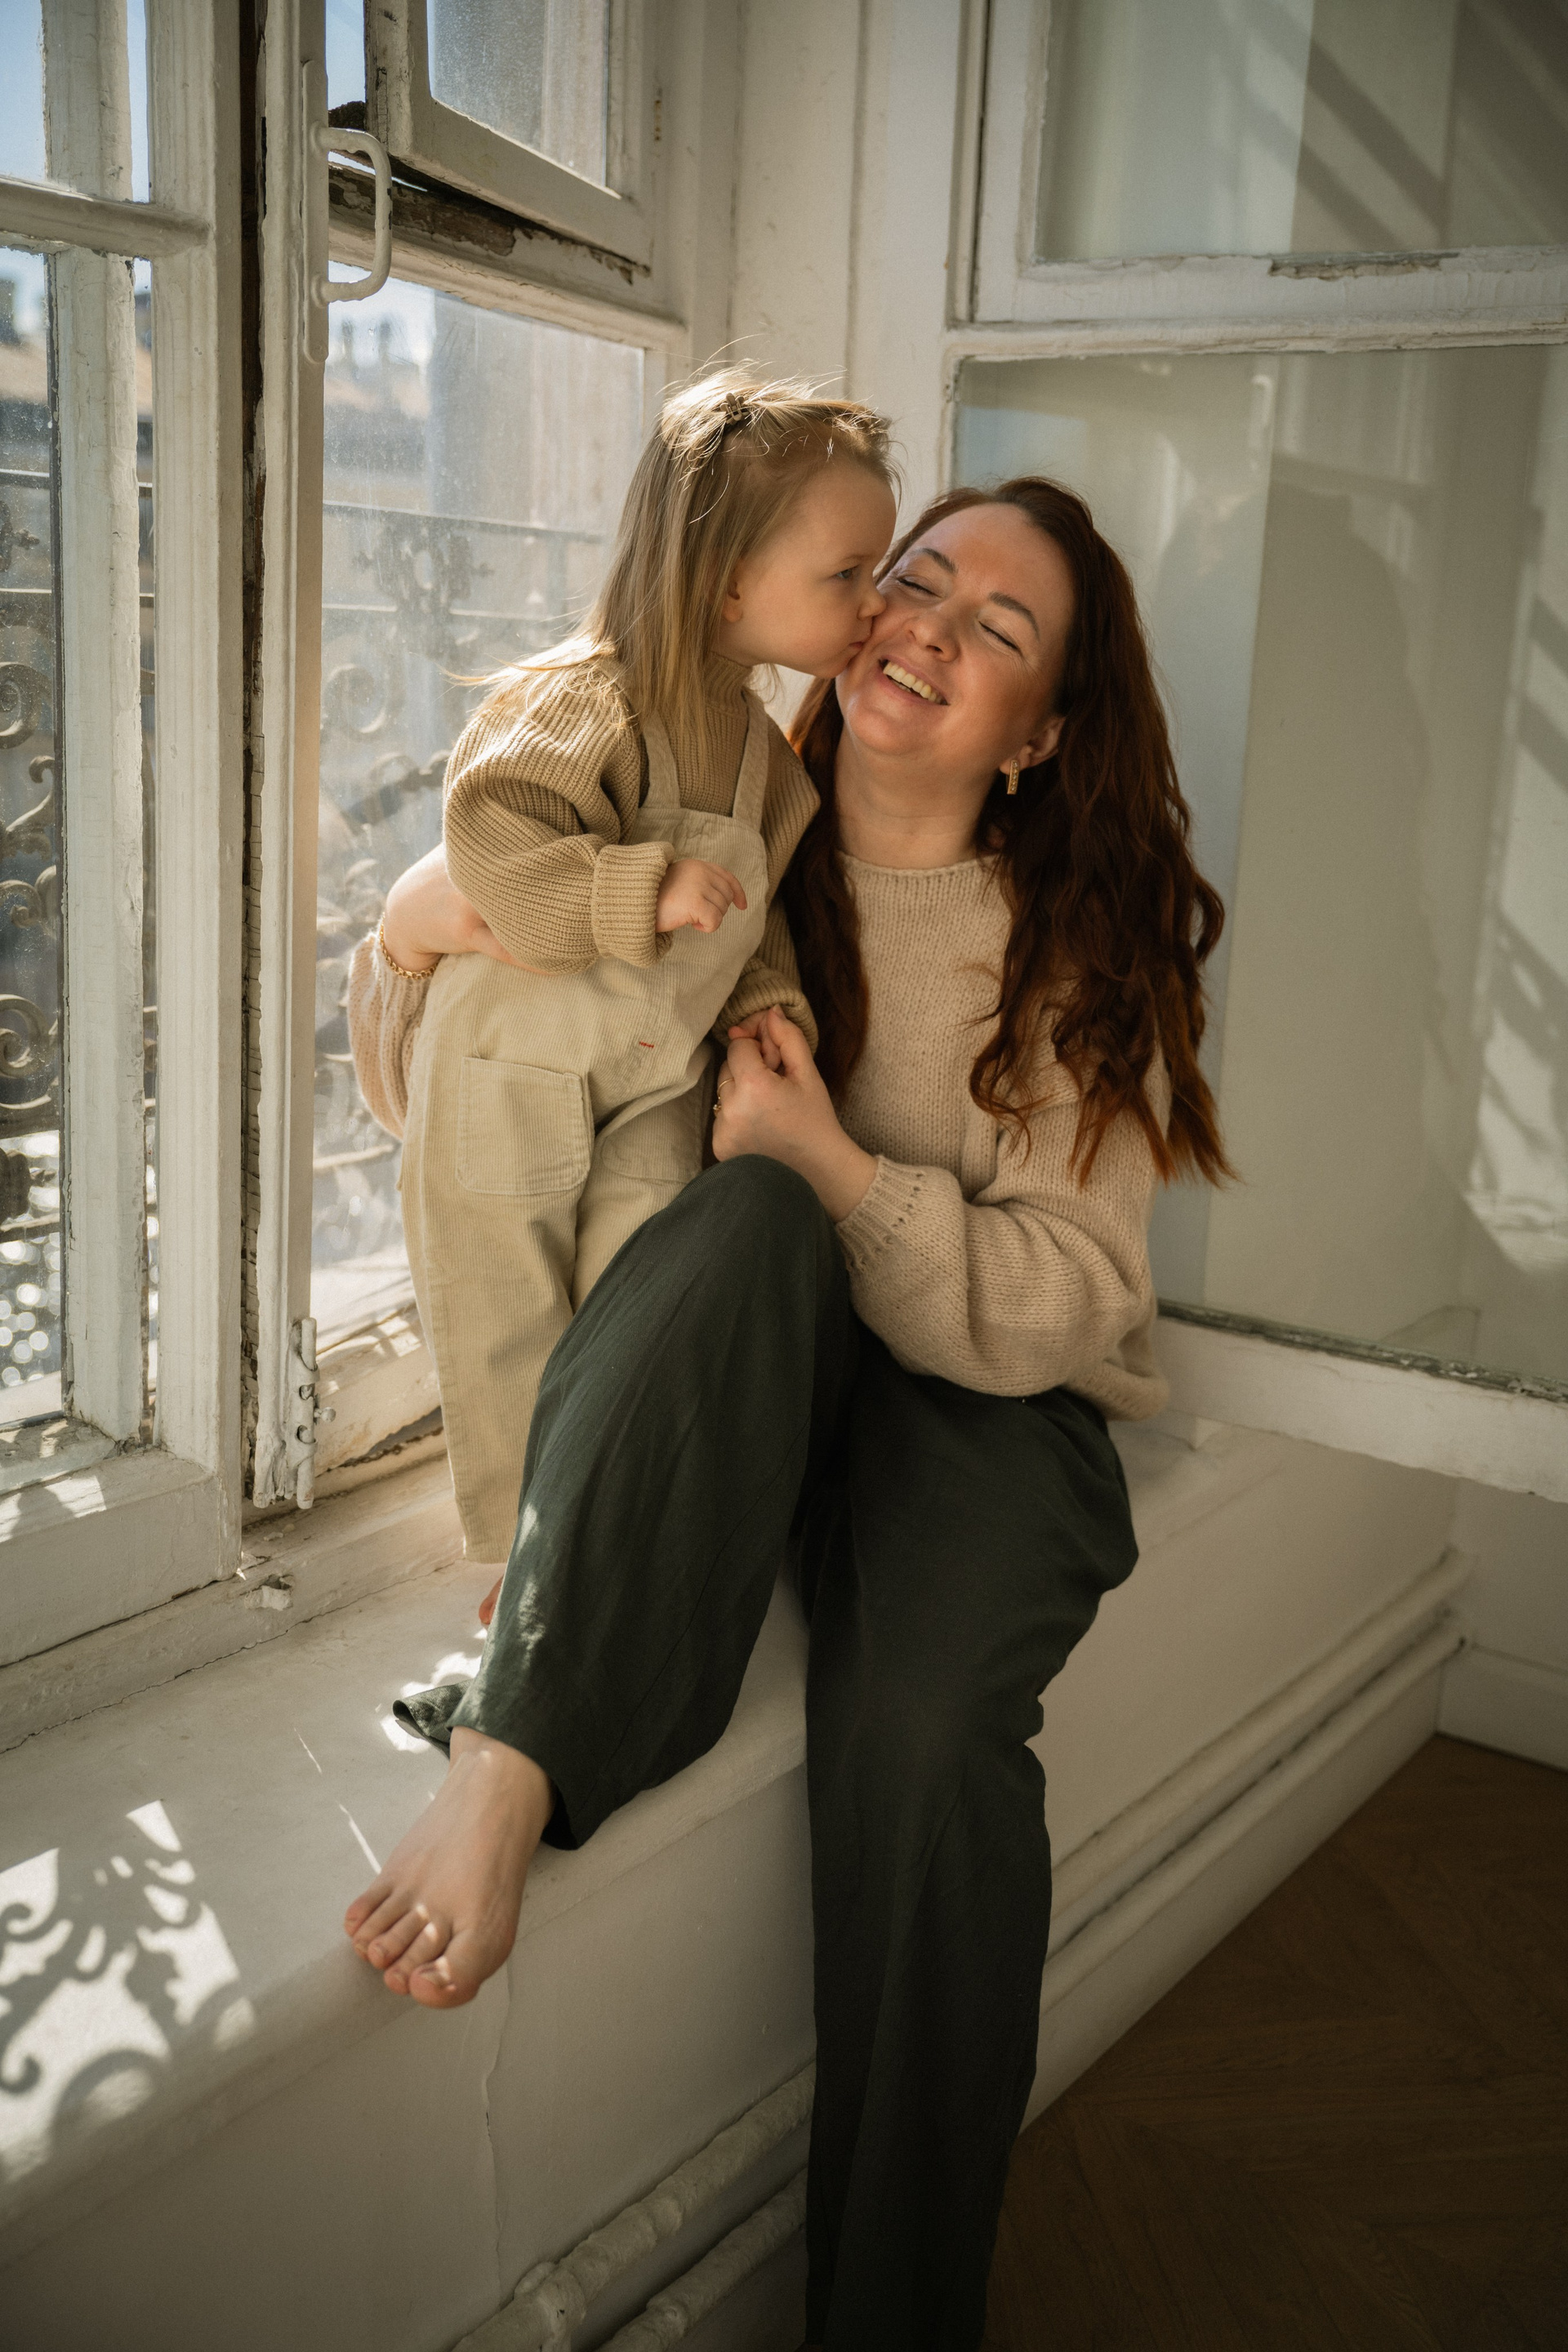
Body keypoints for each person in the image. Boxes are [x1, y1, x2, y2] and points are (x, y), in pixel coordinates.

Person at [345, 478, 1232, 2350]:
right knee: (741, 1222)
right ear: (839, 608)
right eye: (916, 581)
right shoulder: (702, 833)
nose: (931, 630)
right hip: (746, 1356)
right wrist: (421, 929)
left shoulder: (1077, 955)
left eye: (1000, 630)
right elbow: (451, 1104)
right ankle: (514, 1754)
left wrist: (835, 1163)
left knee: (925, 1734)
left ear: (1038, 735)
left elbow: (1073, 1292)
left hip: (988, 1405)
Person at [351, 371, 897, 1560]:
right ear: (729, 578)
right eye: (848, 575)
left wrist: (770, 1006)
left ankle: (605, 1536)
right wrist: (632, 889)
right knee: (502, 1308)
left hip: (654, 1075)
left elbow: (754, 918)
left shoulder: (767, 761)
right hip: (513, 1067)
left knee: (639, 1302)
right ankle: (524, 1559)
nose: (875, 603)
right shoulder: (580, 700)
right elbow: (493, 832)